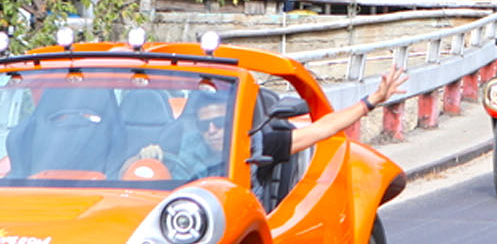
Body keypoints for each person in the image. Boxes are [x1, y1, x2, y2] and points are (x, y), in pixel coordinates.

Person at [126, 66, 410, 179]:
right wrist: (142, 159)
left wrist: (372, 100)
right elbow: (127, 177)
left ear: (231, 120)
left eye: (218, 122)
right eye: (204, 125)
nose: (211, 130)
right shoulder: (178, 146)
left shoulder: (259, 144)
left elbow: (324, 128)